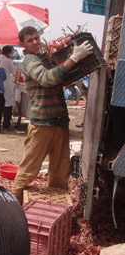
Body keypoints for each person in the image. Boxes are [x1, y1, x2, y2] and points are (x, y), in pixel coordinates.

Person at [12, 26, 93, 202]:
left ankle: (56, 210)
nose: (35, 42)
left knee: (60, 171)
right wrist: (74, 57)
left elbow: (58, 76)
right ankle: (14, 205)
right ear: (23, 44)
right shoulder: (30, 60)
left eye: (36, 38)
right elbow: (47, 79)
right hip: (42, 123)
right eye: (30, 40)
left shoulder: (44, 59)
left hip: (59, 122)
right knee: (29, 169)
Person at [0, 45, 17, 130]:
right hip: (6, 85)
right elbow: (15, 71)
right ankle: (6, 124)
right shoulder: (8, 61)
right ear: (8, 53)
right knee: (7, 106)